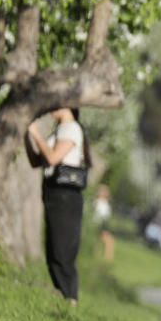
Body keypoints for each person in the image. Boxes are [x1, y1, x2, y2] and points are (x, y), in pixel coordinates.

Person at [26, 107, 91, 305]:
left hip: (65, 195)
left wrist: (36, 133)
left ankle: (70, 299)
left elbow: (54, 158)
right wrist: (28, 137)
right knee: (53, 249)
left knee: (62, 251)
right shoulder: (60, 129)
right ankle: (63, 298)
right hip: (55, 193)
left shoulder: (70, 128)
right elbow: (37, 161)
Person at [94, 184, 114, 261]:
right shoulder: (99, 202)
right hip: (100, 225)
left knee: (98, 242)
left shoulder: (103, 203)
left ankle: (98, 257)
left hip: (103, 224)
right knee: (109, 242)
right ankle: (107, 259)